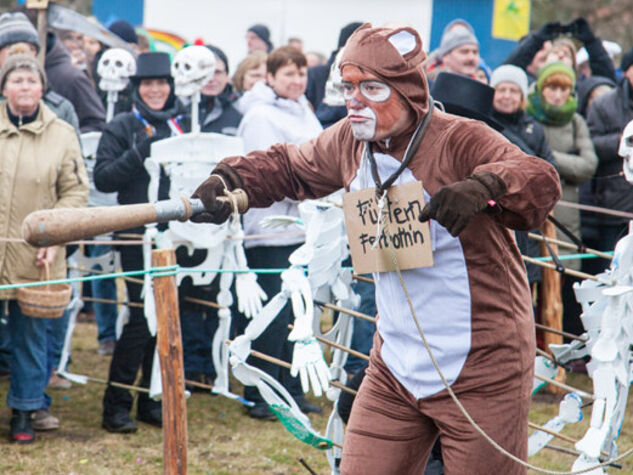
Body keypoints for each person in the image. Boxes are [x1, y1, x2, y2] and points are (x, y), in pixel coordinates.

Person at [191, 23, 560, 473]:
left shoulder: (458, 137)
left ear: (407, 92)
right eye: (348, 86)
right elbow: (292, 166)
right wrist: (231, 178)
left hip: (482, 366)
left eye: (372, 87)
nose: (355, 100)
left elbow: (538, 178)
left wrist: (485, 185)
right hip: (395, 366)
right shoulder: (349, 141)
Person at [228, 45, 323, 419]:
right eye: (288, 74)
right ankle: (262, 393)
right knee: (270, 315)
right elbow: (262, 173)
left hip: (304, 227)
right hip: (270, 227)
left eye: (301, 73)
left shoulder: (305, 110)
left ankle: (290, 389)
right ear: (270, 77)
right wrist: (308, 185)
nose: (297, 80)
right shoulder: (259, 115)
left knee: (297, 315)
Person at [0, 54, 88, 443]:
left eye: (31, 81)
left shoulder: (62, 133)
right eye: (16, 80)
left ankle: (25, 409)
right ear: (4, 88)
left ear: (42, 89)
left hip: (38, 254)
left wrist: (53, 237)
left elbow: (75, 192)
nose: (24, 87)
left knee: (32, 336)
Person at [94, 52, 183, 433]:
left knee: (163, 319)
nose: (156, 90)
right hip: (133, 234)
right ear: (137, 88)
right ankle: (115, 406)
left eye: (162, 83)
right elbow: (103, 179)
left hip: (173, 235)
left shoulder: (181, 126)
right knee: (138, 317)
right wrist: (139, 151)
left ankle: (149, 400)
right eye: (148, 84)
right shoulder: (122, 126)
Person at [527, 61, 597, 336]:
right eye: (552, 88)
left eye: (564, 89)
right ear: (542, 88)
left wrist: (549, 161)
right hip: (536, 212)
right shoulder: (530, 119)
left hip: (568, 219)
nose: (557, 95)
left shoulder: (576, 121)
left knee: (564, 289)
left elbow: (588, 165)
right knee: (535, 284)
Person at [586, 47, 633, 270]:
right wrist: (625, 139)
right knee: (612, 272)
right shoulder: (603, 104)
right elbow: (591, 144)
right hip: (613, 206)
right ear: (626, 71)